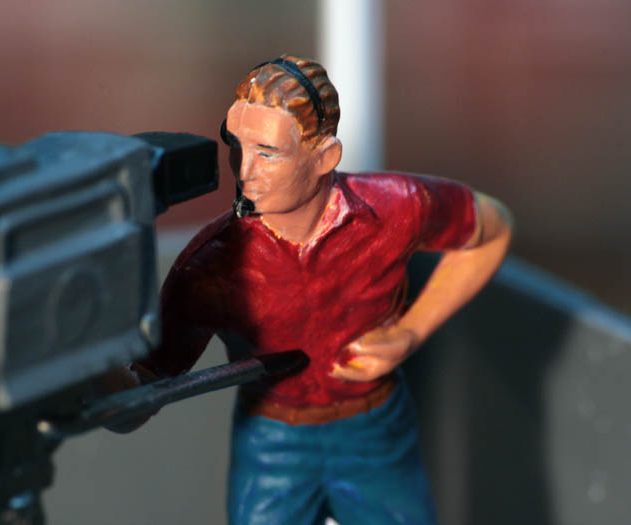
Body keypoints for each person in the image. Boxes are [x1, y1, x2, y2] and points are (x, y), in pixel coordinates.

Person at [133, 55, 512, 525]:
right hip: (272, 445)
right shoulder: (212, 264)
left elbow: (492, 229)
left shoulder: (397, 208)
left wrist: (412, 331)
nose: (244, 170)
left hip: (376, 435)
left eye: (267, 152)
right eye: (236, 144)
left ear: (324, 158)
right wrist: (92, 376)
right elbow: (143, 389)